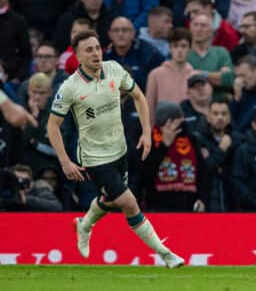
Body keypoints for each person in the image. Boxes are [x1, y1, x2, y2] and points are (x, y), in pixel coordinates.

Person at [47, 29, 184, 268]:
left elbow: (139, 97)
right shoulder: (70, 87)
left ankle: (84, 224)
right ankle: (166, 254)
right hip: (94, 157)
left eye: (97, 48)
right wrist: (65, 162)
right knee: (129, 203)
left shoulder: (114, 69)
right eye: (88, 50)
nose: (95, 53)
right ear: (78, 56)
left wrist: (146, 132)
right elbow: (52, 126)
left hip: (119, 150)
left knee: (110, 200)